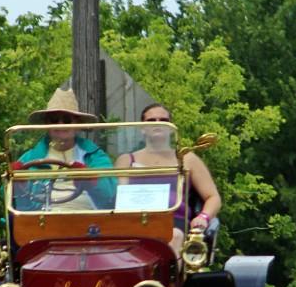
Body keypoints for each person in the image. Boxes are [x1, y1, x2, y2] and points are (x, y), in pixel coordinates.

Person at [114, 103, 221, 255]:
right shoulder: (126, 160)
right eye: (151, 121)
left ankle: (168, 277)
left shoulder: (187, 159)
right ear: (142, 128)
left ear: (171, 127)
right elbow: (119, 196)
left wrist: (203, 217)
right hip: (134, 222)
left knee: (175, 236)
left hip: (174, 221)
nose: (158, 124)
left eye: (163, 120)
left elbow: (213, 197)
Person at [13, 88, 116, 210]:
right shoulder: (30, 157)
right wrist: (16, 183)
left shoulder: (94, 156)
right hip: (41, 220)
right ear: (47, 124)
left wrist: (90, 179)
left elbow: (110, 193)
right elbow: (10, 198)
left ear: (77, 125)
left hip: (87, 220)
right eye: (54, 120)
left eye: (67, 120)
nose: (61, 124)